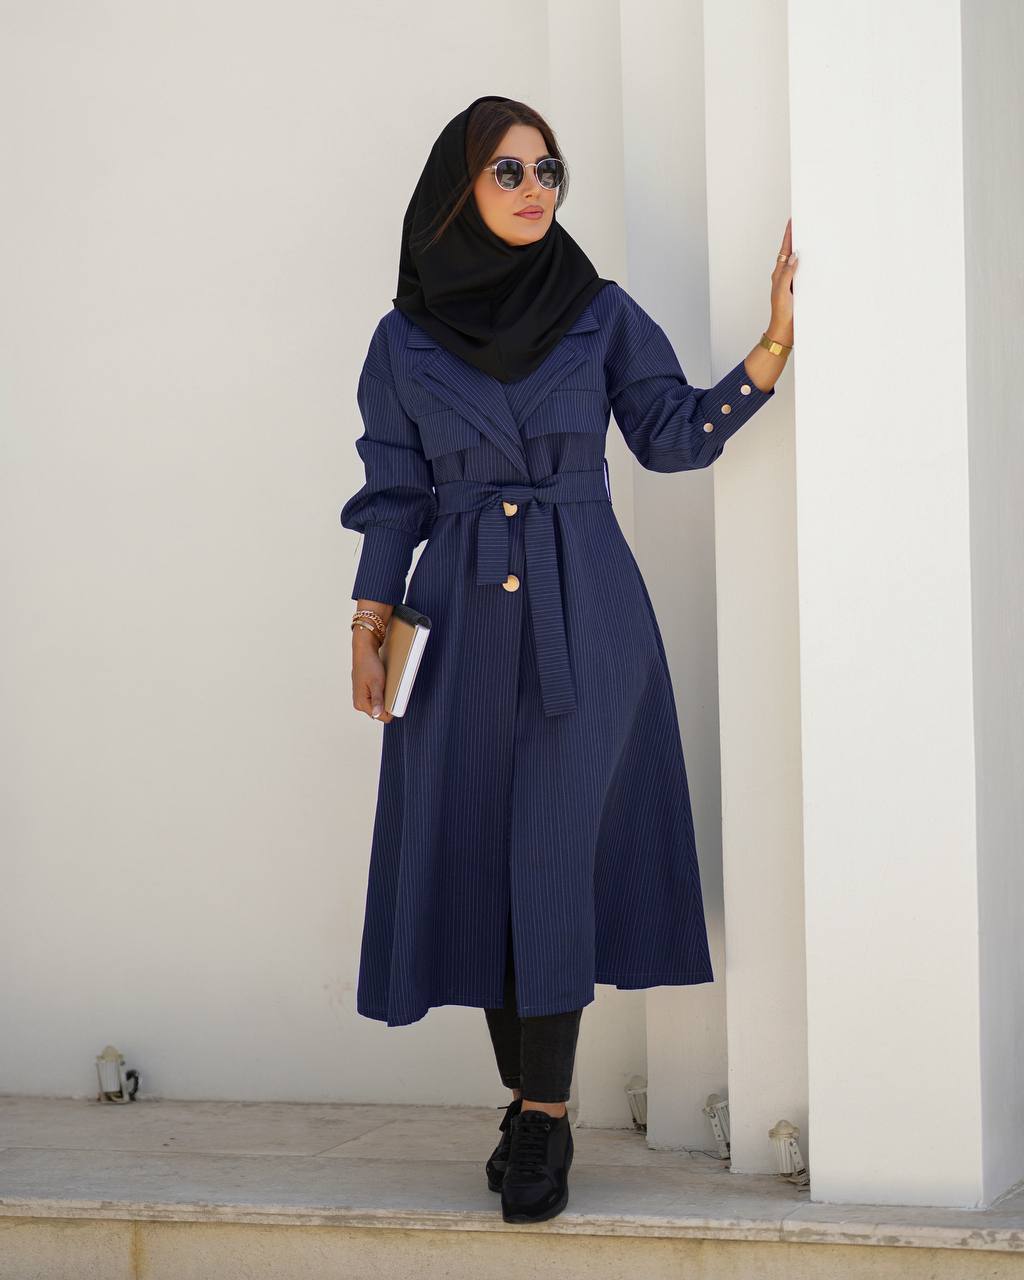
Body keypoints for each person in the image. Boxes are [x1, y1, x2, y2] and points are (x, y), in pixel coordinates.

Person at [340, 95, 796, 1225]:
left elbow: (669, 437)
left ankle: (545, 1116)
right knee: (484, 862)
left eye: (549, 169)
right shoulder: (401, 341)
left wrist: (771, 347)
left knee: (547, 855)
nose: (536, 188)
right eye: (509, 170)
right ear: (458, 190)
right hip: (456, 621)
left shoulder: (600, 313)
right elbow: (394, 493)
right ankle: (525, 1099)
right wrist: (367, 622)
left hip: (584, 613)